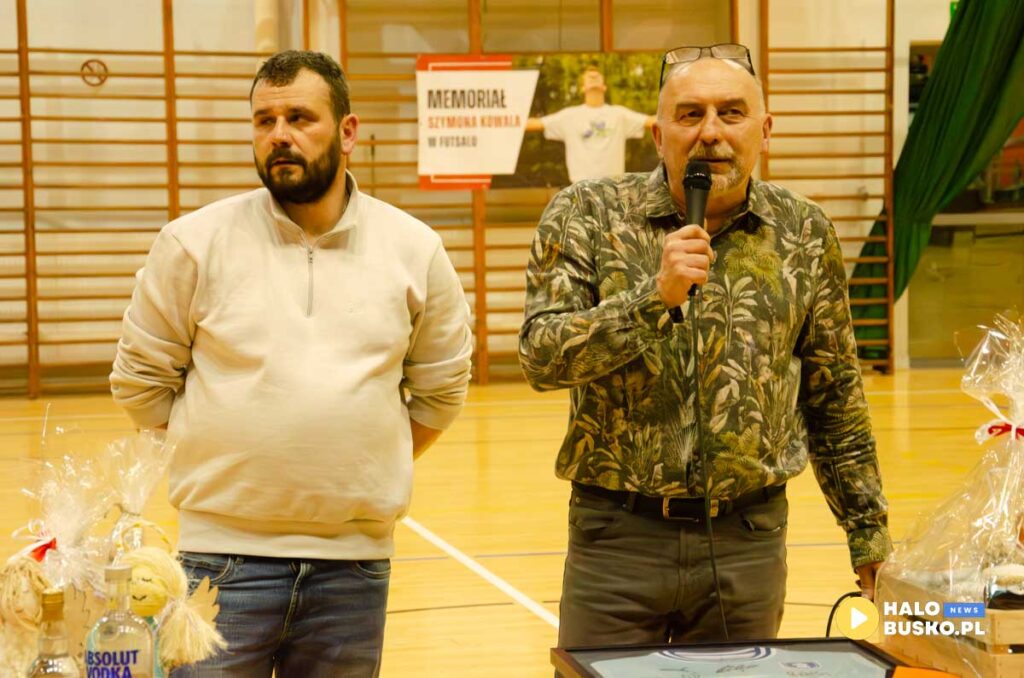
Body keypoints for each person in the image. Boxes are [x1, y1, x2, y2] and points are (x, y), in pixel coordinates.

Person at [110, 50, 473, 677]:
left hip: (354, 571)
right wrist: (223, 454)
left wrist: (355, 463)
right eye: (264, 120)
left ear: (348, 132)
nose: (279, 135)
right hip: (218, 562)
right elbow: (140, 384)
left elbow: (442, 391)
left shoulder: (414, 249)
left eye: (300, 118)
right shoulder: (192, 243)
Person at [519, 44, 891, 648]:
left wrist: (867, 533)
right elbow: (541, 356)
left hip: (748, 541)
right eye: (690, 114)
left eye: (731, 113)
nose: (711, 132)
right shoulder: (586, 214)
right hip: (617, 541)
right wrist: (653, 298)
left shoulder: (804, 232)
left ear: (764, 130)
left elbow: (836, 395)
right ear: (658, 135)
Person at [525, 66, 655, 183]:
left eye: (597, 76)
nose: (593, 76)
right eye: (589, 76)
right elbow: (534, 124)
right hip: (581, 189)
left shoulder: (619, 114)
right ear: (583, 88)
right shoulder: (569, 116)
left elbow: (653, 121)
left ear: (604, 87)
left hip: (613, 189)